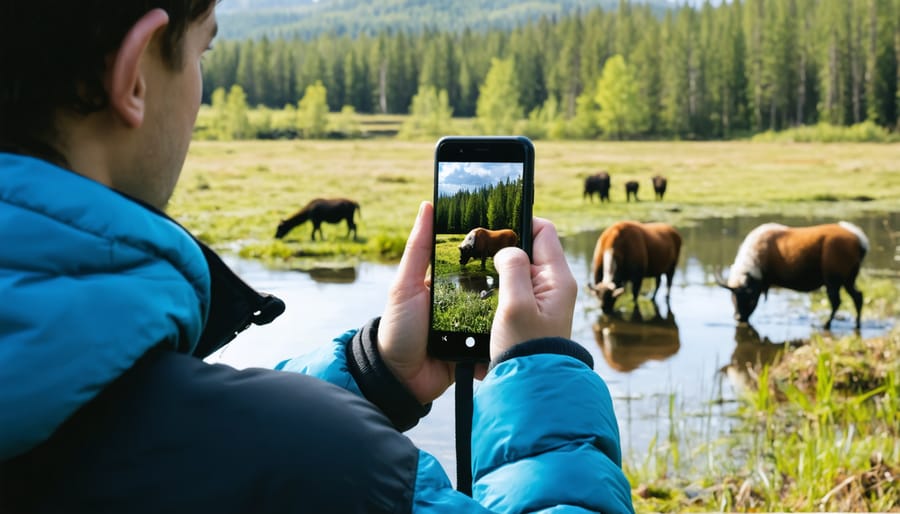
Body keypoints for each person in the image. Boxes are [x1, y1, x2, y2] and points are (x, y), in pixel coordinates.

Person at [0, 2, 634, 513]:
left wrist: (370, 372)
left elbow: (160, 434)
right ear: (135, 76)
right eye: (204, 51)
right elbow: (248, 447)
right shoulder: (343, 470)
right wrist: (540, 373)